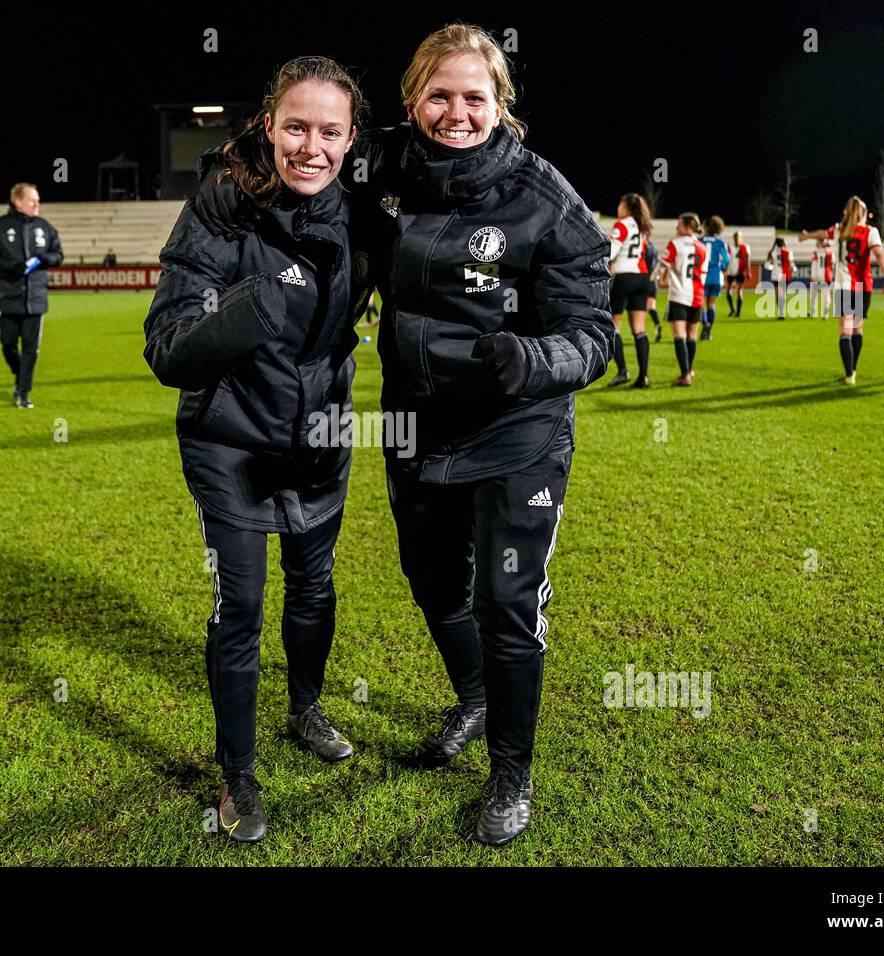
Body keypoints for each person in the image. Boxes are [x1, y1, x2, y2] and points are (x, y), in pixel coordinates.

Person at [347, 24, 613, 845]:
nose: (457, 112)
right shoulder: (383, 164)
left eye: (475, 96)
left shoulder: (546, 199)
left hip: (517, 433)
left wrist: (532, 358)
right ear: (412, 100)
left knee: (505, 603)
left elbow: (592, 335)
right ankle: (473, 698)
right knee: (433, 585)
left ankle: (510, 775)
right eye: (440, 95)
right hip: (415, 427)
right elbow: (299, 153)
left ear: (502, 103)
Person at [144, 56, 365, 844]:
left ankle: (305, 708)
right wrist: (254, 307)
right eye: (296, 126)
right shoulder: (219, 206)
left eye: (330, 130)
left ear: (351, 137)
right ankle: (237, 772)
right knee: (240, 606)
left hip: (320, 438)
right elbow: (167, 348)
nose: (312, 146)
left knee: (314, 586)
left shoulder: (363, 211)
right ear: (268, 124)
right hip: (229, 440)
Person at [0, 183, 64, 408]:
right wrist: (10, 266)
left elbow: (58, 254)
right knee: (7, 345)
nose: (37, 204)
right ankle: (21, 375)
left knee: (30, 348)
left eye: (37, 200)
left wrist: (47, 259)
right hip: (7, 297)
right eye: (32, 200)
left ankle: (23, 391)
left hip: (35, 300)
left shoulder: (45, 227)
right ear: (18, 201)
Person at [799, 196, 884, 385]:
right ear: (863, 214)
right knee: (857, 329)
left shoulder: (839, 230)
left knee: (845, 331)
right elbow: (879, 254)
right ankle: (854, 369)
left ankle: (849, 374)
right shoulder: (870, 232)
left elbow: (822, 234)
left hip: (843, 287)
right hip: (861, 287)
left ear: (846, 213)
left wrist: (807, 235)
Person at [652, 213, 707, 385]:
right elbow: (703, 273)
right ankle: (689, 370)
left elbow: (663, 265)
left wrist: (656, 278)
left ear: (686, 227)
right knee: (692, 335)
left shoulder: (675, 243)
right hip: (697, 295)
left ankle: (685, 376)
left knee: (679, 335)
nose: (676, 228)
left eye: (679, 225)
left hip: (679, 295)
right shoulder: (703, 247)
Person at [606, 193, 653, 387]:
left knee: (613, 325)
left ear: (625, 207)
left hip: (625, 277)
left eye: (620, 204)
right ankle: (643, 376)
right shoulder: (642, 227)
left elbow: (610, 253)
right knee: (639, 329)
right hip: (642, 277)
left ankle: (623, 371)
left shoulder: (622, 224)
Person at [699, 216, 730, 340]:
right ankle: (708, 332)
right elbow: (727, 260)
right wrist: (720, 266)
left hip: (703, 275)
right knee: (711, 305)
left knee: (700, 304)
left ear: (706, 226)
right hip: (716, 276)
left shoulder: (700, 240)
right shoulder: (720, 242)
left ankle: (705, 323)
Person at [765, 236, 793, 320]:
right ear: (782, 243)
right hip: (784, 274)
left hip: (775, 275)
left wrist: (773, 268)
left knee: (778, 295)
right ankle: (782, 313)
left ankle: (781, 313)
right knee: (783, 295)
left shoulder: (772, 252)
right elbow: (791, 264)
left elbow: (767, 265)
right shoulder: (788, 251)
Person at [642, 234, 662, 343]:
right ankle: (657, 324)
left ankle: (641, 332)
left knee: (640, 309)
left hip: (644, 279)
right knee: (651, 307)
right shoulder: (654, 247)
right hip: (653, 281)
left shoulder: (643, 247)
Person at [725, 230, 750, 315]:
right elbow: (727, 259)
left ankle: (738, 312)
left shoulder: (745, 247)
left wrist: (748, 271)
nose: (736, 238)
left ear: (740, 238)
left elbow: (747, 260)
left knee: (739, 291)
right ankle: (732, 309)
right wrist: (726, 269)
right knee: (728, 291)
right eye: (735, 237)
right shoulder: (730, 247)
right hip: (731, 271)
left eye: (738, 237)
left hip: (740, 272)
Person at [810, 236, 834, 318]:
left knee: (814, 295)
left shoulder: (815, 252)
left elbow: (814, 265)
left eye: (818, 241)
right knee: (826, 295)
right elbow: (832, 265)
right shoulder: (830, 252)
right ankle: (825, 314)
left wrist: (813, 276)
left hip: (817, 275)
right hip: (827, 275)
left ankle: (812, 312)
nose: (816, 243)